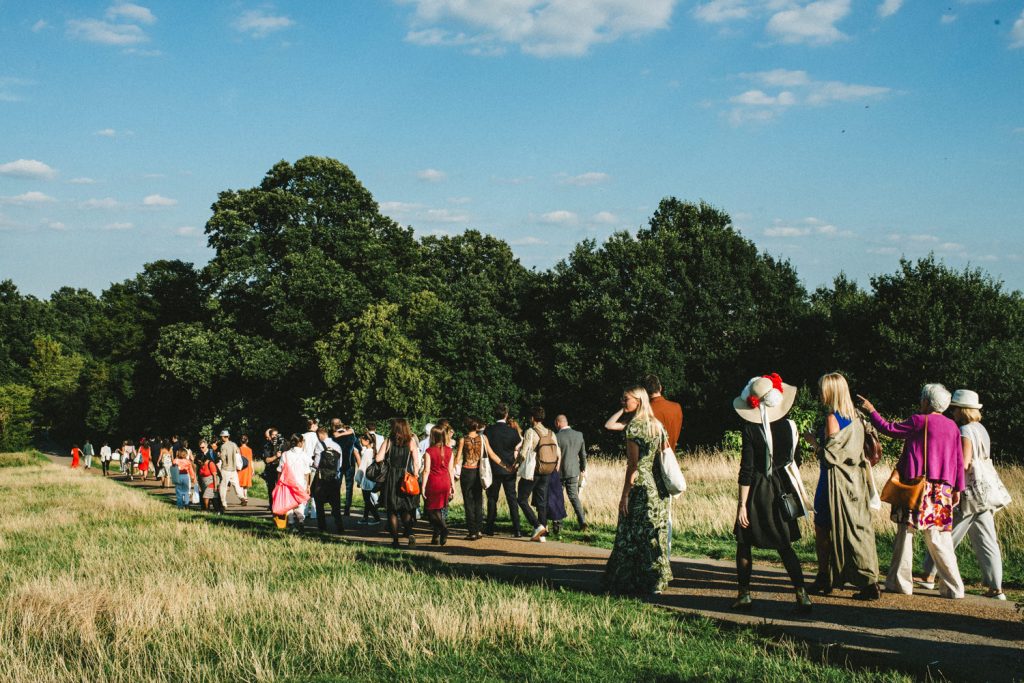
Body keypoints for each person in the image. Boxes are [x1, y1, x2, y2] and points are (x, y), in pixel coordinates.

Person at [859, 384, 965, 599]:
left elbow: (889, 429)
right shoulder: (953, 426)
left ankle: (900, 582)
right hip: (942, 490)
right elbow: (958, 459)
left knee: (905, 534)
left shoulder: (919, 421)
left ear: (926, 401)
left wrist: (871, 410)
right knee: (940, 539)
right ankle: (954, 587)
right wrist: (957, 488)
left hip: (917, 486)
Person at [732, 374, 811, 612]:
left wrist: (741, 504)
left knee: (744, 542)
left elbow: (747, 468)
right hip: (784, 488)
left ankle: (744, 594)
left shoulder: (750, 428)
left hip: (758, 490)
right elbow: (794, 460)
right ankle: (802, 594)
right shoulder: (791, 426)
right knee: (785, 545)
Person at [919, 389, 1008, 600]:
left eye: (956, 409)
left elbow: (966, 463)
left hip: (969, 493)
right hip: (985, 494)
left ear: (962, 410)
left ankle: (929, 575)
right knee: (987, 540)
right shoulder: (982, 429)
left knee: (945, 533)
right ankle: (996, 588)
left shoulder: (966, 431)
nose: (953, 413)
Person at [802, 373, 880, 600]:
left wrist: (813, 443)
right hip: (855, 481)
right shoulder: (856, 417)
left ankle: (824, 577)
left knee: (823, 528)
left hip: (833, 482)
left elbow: (829, 456)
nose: (819, 393)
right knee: (857, 528)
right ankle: (868, 579)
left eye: (822, 389)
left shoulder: (832, 418)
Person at [604, 386, 673, 595]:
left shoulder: (634, 428)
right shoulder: (657, 425)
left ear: (638, 401)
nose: (623, 403)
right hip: (657, 487)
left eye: (626, 400)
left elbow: (632, 465)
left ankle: (630, 580)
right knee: (653, 533)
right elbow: (663, 455)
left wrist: (624, 495)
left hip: (640, 484)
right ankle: (658, 578)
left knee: (631, 533)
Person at [374, 418, 421, 547]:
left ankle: (395, 541)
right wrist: (415, 475)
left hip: (390, 478)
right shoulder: (411, 442)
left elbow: (378, 458)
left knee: (392, 511)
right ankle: (410, 532)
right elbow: (416, 462)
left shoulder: (388, 441)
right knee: (404, 508)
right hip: (405, 477)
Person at [517, 406, 561, 542]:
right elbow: (558, 453)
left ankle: (537, 526)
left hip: (533, 471)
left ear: (532, 418)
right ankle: (543, 532)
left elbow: (524, 452)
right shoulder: (550, 433)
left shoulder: (530, 431)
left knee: (522, 499)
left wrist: (516, 464)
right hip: (547, 470)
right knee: (542, 501)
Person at [454, 418, 503, 540]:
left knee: (468, 501)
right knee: (478, 499)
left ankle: (472, 531)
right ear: (476, 427)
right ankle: (479, 529)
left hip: (467, 470)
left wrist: (453, 471)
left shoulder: (462, 440)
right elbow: (491, 454)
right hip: (478, 470)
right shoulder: (483, 438)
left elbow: (458, 458)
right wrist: (505, 465)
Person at [483, 404, 523, 537]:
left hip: (494, 468)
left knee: (492, 498)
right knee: (512, 498)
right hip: (509, 468)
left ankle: (489, 526)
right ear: (506, 415)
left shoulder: (488, 431)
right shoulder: (512, 431)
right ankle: (517, 528)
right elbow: (517, 447)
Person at [554, 414, 588, 531]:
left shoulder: (556, 436)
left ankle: (558, 524)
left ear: (558, 423)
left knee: (558, 497)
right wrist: (583, 468)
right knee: (574, 497)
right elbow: (583, 455)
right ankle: (582, 521)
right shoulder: (579, 435)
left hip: (559, 472)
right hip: (574, 471)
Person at [422, 425, 455, 544]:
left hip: (434, 482)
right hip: (445, 482)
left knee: (431, 511)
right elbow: (451, 470)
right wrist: (453, 486)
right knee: (440, 509)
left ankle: (443, 529)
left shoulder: (429, 451)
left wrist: (423, 487)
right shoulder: (449, 451)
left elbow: (426, 471)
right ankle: (437, 535)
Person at [312, 426, 345, 533]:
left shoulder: (319, 445)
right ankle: (340, 527)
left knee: (319, 503)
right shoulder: (337, 446)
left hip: (322, 478)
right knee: (336, 504)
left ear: (321, 434)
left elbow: (317, 464)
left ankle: (322, 528)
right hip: (334, 478)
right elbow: (339, 464)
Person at [277, 434, 313, 531]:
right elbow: (307, 472)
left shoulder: (285, 454)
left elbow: (280, 470)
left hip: (287, 483)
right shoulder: (305, 455)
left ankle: (291, 523)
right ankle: (301, 521)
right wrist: (308, 486)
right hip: (301, 483)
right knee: (300, 504)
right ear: (301, 442)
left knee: (289, 504)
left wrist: (278, 483)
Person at [644, 374, 684, 450]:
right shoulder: (676, 407)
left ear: (645, 391)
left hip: (650, 459)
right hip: (670, 457)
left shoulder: (644, 410)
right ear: (660, 388)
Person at [330, 419, 359, 517]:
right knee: (349, 487)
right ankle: (347, 508)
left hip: (337, 464)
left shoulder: (333, 437)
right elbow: (358, 448)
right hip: (350, 463)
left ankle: (335, 508)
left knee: (335, 487)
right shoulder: (351, 435)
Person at [217, 430, 247, 508]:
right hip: (233, 469)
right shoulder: (234, 444)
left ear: (223, 437)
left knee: (223, 486)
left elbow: (223, 458)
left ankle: (223, 502)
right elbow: (238, 452)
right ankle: (242, 498)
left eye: (221, 437)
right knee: (236, 485)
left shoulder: (223, 446)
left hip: (226, 468)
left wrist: (219, 456)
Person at [357, 432, 382, 525]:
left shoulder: (367, 453)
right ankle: (365, 517)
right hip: (373, 479)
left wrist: (358, 480)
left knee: (367, 500)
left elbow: (362, 468)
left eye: (362, 440)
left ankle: (376, 518)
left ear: (367, 441)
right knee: (368, 499)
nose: (360, 441)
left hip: (366, 480)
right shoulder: (375, 452)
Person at [262, 428, 285, 511]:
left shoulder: (282, 444)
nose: (275, 437)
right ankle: (272, 505)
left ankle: (281, 505)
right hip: (271, 469)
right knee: (271, 488)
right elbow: (267, 460)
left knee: (281, 488)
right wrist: (276, 456)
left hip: (281, 470)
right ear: (270, 436)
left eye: (276, 435)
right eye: (273, 435)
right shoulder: (267, 446)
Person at [302, 419, 319, 520]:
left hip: (304, 464)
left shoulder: (303, 436)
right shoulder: (317, 437)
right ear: (313, 425)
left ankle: (304, 511)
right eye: (316, 425)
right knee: (314, 488)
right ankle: (314, 512)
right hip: (314, 464)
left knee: (305, 487)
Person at [196, 441, 219, 512]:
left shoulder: (212, 454)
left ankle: (208, 510)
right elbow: (197, 468)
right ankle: (214, 510)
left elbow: (217, 465)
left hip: (212, 479)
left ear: (206, 446)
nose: (201, 449)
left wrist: (216, 485)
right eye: (200, 448)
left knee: (207, 496)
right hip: (203, 480)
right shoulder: (199, 455)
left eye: (203, 447)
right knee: (211, 497)